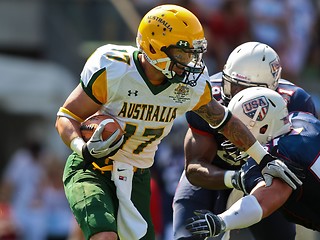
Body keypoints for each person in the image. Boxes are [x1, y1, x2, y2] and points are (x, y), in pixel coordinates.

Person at [55, 5, 275, 240]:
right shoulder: (114, 69)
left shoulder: (190, 85)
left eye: (193, 54)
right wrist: (83, 148)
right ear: (153, 47)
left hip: (136, 176)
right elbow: (67, 116)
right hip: (92, 168)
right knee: (105, 235)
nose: (190, 62)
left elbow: (224, 121)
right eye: (182, 54)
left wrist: (263, 158)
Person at [173, 41, 318, 240]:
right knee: (186, 236)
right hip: (215, 174)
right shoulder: (209, 97)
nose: (233, 94)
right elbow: (195, 168)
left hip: (265, 179)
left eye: (242, 89)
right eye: (230, 84)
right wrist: (236, 178)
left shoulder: (295, 103)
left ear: (268, 91)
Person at [185, 87, 320, 240]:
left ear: (263, 127)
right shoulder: (304, 120)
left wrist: (222, 221)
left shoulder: (281, 154)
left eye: (242, 130)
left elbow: (261, 203)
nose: (235, 139)